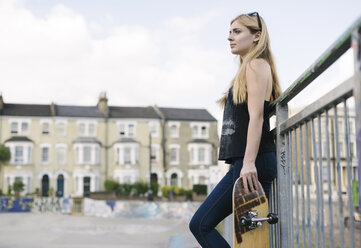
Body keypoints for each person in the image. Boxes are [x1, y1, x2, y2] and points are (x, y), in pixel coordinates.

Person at [189, 12, 282, 247]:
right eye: (230, 32)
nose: (230, 37)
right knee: (247, 239)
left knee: (201, 224)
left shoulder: (256, 64)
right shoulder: (247, 69)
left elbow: (257, 116)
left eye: (237, 32)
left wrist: (249, 163)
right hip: (244, 163)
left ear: (256, 36)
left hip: (252, 163)